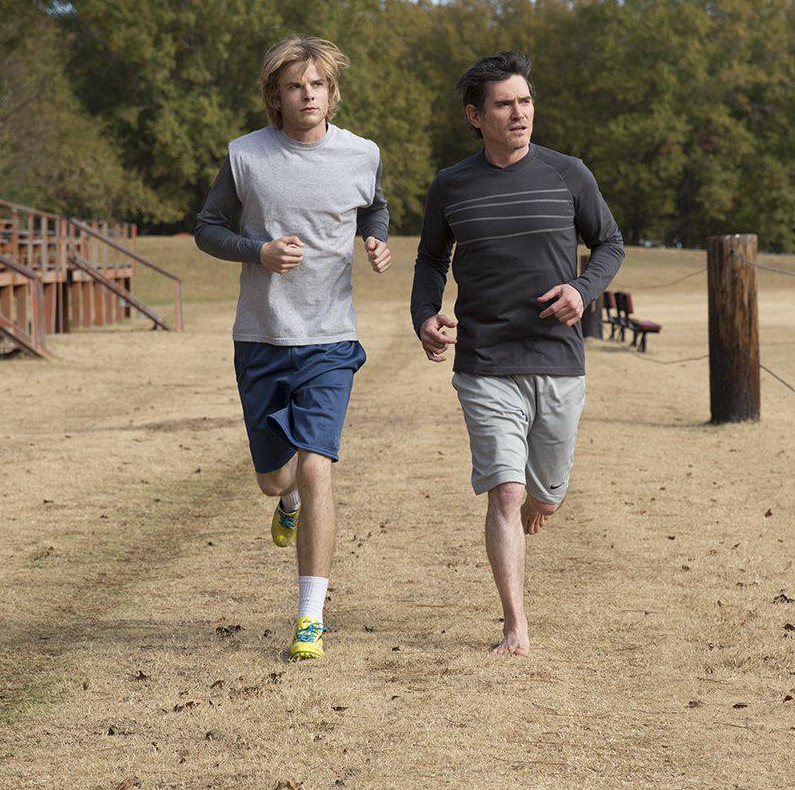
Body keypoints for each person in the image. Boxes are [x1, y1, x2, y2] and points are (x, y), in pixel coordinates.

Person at [410, 51, 623, 657]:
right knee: (504, 491)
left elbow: (609, 243)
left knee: (544, 496)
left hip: (558, 361)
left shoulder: (568, 174)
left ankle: (541, 499)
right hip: (485, 361)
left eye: (525, 101)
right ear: (475, 116)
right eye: (504, 104)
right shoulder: (451, 185)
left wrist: (582, 292)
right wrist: (425, 314)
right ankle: (515, 626)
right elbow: (430, 259)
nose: (519, 113)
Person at [195, 35, 391, 661]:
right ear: (276, 97)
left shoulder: (362, 154)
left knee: (316, 465)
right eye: (295, 87)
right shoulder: (246, 157)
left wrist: (375, 242)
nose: (308, 95)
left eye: (318, 86)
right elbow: (207, 229)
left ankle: (309, 618)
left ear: (332, 94)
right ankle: (287, 503)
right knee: (275, 477)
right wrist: (259, 252)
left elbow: (374, 209)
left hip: (331, 336)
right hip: (262, 337)